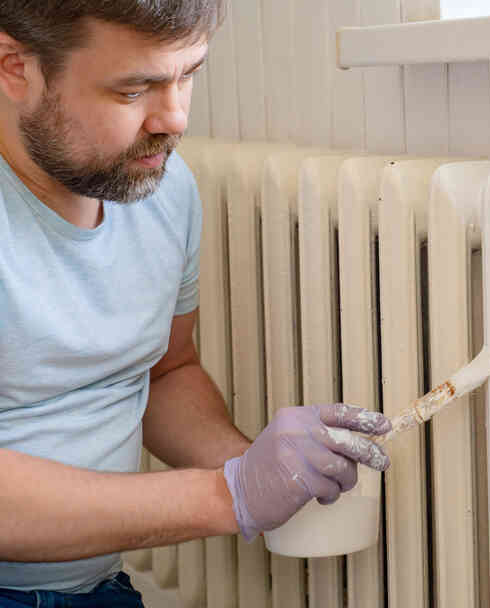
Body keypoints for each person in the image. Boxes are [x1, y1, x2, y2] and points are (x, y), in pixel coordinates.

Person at [0, 2, 391, 604]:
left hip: (95, 587)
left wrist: (260, 467)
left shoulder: (161, 188)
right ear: (13, 67)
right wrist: (224, 496)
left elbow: (164, 371)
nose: (174, 118)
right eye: (134, 91)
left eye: (189, 74)